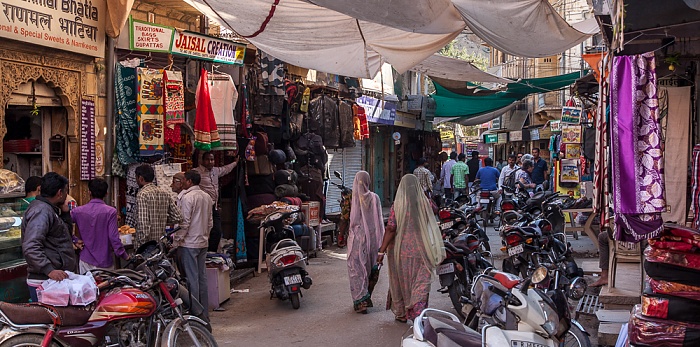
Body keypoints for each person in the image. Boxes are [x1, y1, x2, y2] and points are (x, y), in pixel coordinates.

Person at [377, 174, 445, 322]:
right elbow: (436, 210)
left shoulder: (398, 204)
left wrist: (381, 250)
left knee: (401, 280)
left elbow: (391, 228)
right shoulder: (425, 202)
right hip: (423, 249)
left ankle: (401, 313)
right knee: (420, 282)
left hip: (401, 251)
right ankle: (418, 313)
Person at [21, 172, 78, 302]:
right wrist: (49, 270)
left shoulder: (50, 209)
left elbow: (63, 236)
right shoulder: (41, 211)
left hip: (53, 279)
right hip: (45, 281)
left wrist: (65, 214)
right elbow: (31, 246)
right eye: (65, 191)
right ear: (60, 193)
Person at [173, 170, 213, 321]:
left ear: (189, 182)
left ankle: (196, 313)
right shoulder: (207, 196)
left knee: (192, 278)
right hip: (202, 241)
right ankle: (204, 314)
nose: (181, 183)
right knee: (201, 277)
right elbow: (210, 222)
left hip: (189, 243)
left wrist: (176, 242)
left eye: (183, 180)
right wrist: (205, 236)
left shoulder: (187, 197)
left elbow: (184, 223)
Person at [72, 178, 130, 274]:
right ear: (106, 193)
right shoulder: (111, 212)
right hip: (105, 261)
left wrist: (74, 239)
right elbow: (113, 238)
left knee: (87, 288)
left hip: (85, 260)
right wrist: (124, 255)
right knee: (107, 288)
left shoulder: (78, 211)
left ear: (89, 192)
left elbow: (62, 226)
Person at [346, 171, 385, 314]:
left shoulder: (350, 198)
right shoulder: (375, 198)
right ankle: (366, 296)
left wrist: (341, 234)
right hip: (373, 240)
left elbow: (345, 219)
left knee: (356, 269)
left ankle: (361, 300)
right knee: (370, 269)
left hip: (356, 240)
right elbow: (379, 221)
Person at [195, 151, 238, 252]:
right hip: (203, 207)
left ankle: (211, 253)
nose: (210, 162)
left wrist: (235, 163)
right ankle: (204, 253)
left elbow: (226, 169)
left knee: (217, 231)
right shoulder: (196, 172)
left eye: (212, 159)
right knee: (204, 231)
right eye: (207, 159)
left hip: (214, 207)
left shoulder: (215, 171)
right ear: (202, 161)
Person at [135, 164, 182, 249]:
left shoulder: (142, 194)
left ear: (141, 178)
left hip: (148, 246)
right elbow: (178, 217)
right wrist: (161, 218)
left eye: (136, 178)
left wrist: (142, 246)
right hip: (161, 244)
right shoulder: (164, 193)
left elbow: (143, 224)